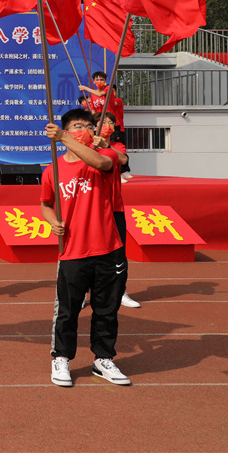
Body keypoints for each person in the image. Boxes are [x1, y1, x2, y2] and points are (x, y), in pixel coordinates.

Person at [41, 108, 130, 388]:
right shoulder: (52, 170)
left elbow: (101, 163)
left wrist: (65, 138)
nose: (86, 130)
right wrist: (53, 221)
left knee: (106, 309)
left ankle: (103, 358)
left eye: (90, 126)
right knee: (67, 310)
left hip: (107, 247)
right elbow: (45, 204)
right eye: (78, 126)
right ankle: (61, 358)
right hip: (73, 250)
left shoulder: (106, 155)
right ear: (67, 129)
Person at [95, 111, 141, 309]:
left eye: (110, 122)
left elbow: (123, 160)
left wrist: (106, 147)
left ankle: (120, 291)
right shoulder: (86, 147)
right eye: (103, 122)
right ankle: (84, 293)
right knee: (89, 253)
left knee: (118, 251)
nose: (107, 125)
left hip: (114, 207)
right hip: (91, 208)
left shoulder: (117, 146)